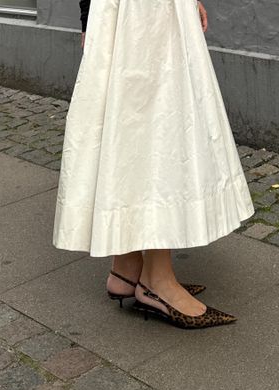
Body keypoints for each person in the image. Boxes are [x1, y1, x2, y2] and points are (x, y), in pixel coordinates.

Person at [52, 0, 255, 329]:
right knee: (158, 132)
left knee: (133, 129)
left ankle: (127, 267)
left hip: (140, 12)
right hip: (143, 15)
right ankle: (157, 281)